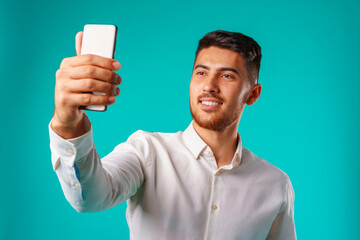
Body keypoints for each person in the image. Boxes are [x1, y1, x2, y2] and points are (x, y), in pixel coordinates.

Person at [49, 30, 296, 240]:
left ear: (252, 94)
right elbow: (89, 197)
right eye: (201, 72)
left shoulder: (276, 185)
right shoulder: (146, 151)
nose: (209, 86)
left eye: (227, 75)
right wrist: (68, 123)